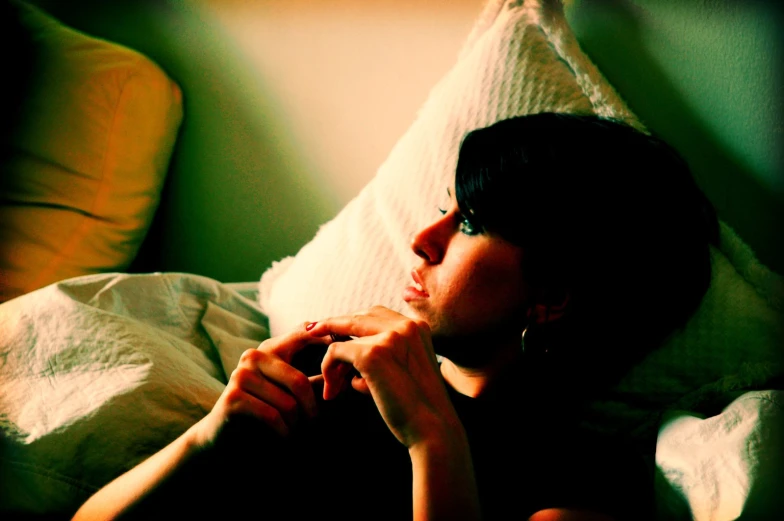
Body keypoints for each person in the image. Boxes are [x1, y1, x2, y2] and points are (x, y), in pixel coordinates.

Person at [72, 113, 719, 521]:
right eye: (443, 208)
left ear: (552, 293)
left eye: (468, 222)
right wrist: (208, 438)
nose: (422, 239)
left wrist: (432, 438)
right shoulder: (332, 391)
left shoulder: (589, 480)